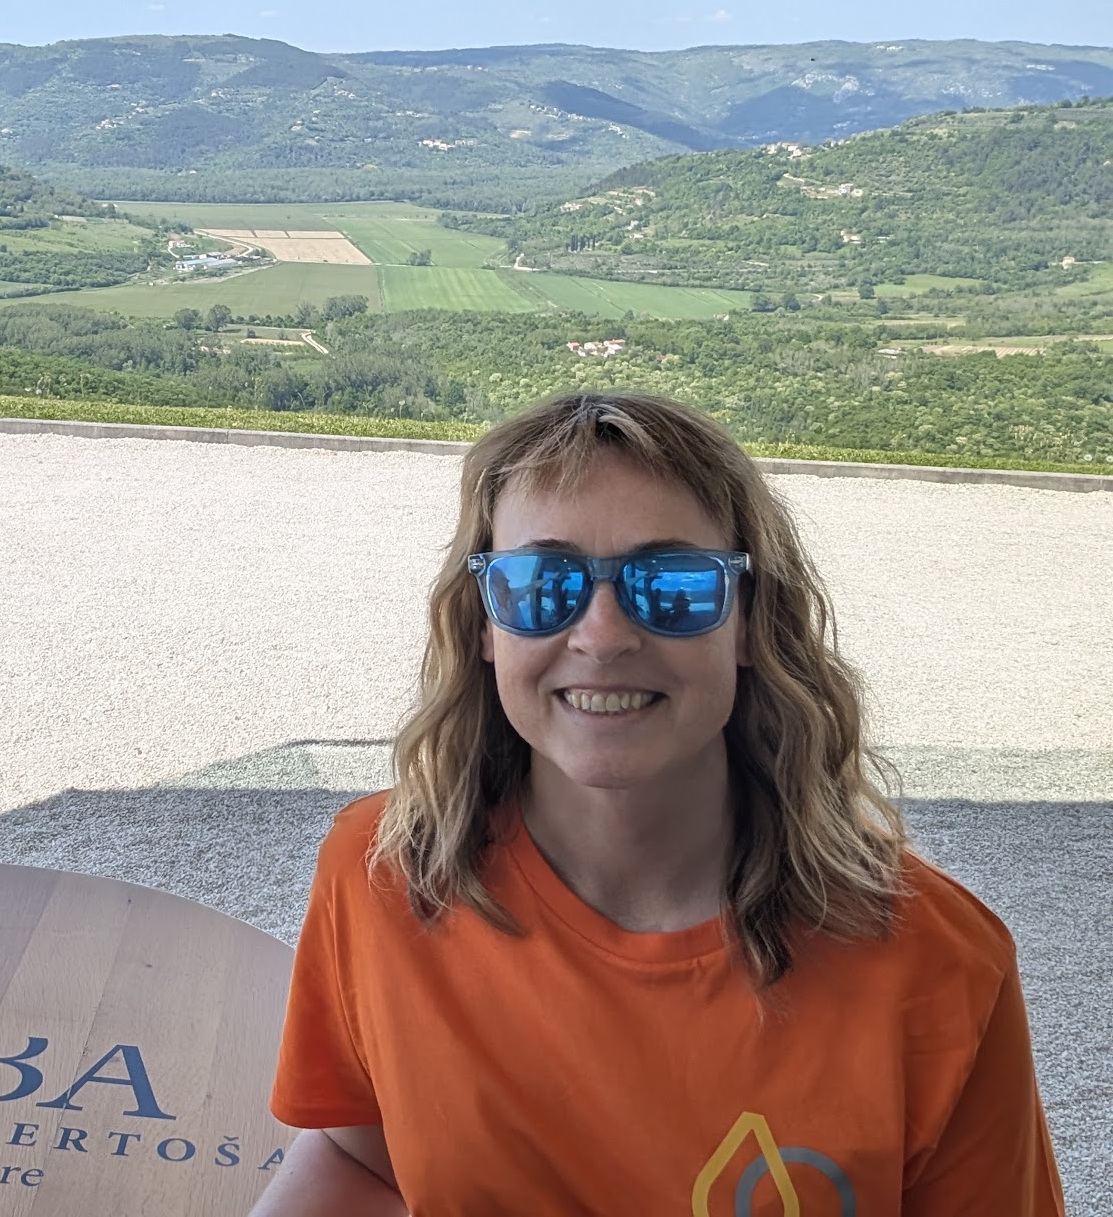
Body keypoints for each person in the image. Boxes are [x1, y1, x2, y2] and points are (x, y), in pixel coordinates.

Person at [255, 392, 1064, 1216]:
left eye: (671, 584)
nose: (603, 636)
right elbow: (362, 1159)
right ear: (486, 626)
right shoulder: (384, 871)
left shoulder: (940, 963)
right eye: (542, 584)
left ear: (748, 622)